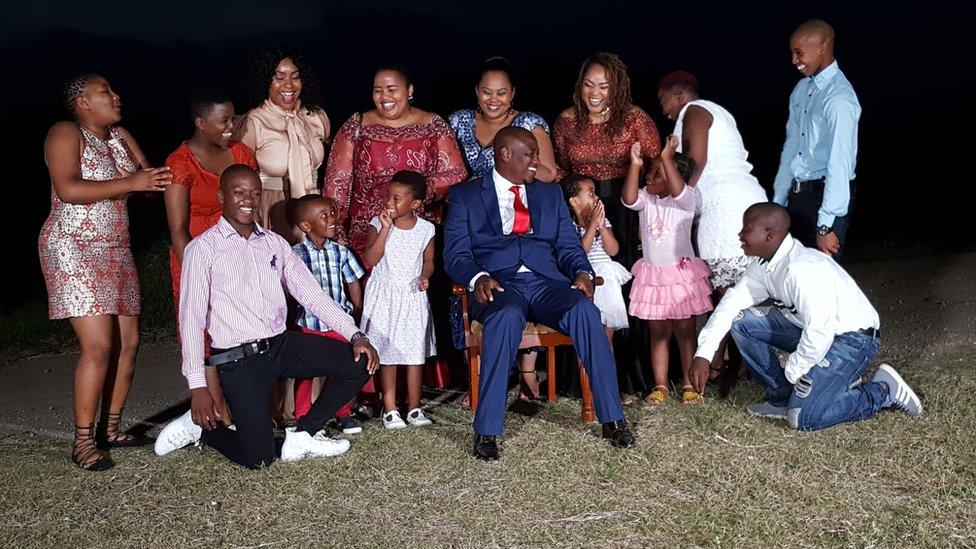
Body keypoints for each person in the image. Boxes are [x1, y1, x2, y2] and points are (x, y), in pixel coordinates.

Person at [153, 165, 379, 469]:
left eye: (255, 193)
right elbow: (191, 320)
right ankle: (203, 431)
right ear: (222, 197)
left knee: (359, 363)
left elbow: (312, 295)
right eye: (238, 192)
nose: (248, 199)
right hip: (238, 360)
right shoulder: (203, 249)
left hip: (279, 345)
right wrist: (198, 387)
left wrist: (355, 335)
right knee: (258, 459)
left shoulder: (274, 243)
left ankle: (303, 435)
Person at [444, 126, 635, 460]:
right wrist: (477, 277)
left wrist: (582, 271)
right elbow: (456, 254)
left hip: (547, 283)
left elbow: (566, 244)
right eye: (530, 154)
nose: (537, 161)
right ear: (505, 154)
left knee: (585, 312)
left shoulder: (549, 194)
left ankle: (613, 419)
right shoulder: (467, 196)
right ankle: (487, 430)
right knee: (504, 317)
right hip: (500, 285)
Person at [689, 203, 922, 430]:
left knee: (803, 418)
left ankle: (882, 391)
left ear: (769, 234)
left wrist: (794, 371)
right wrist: (704, 354)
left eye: (746, 228)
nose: (740, 234)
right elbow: (730, 305)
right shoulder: (764, 266)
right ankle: (780, 399)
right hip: (812, 330)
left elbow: (820, 331)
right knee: (742, 322)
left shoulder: (802, 269)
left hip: (853, 339)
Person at [40, 73, 172, 470]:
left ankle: (110, 429)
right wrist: (131, 181)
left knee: (129, 343)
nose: (115, 96)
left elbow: (148, 183)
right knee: (98, 346)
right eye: (104, 93)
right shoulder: (65, 132)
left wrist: (161, 177)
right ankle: (82, 442)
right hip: (73, 246)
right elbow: (67, 189)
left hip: (116, 247)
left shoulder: (120, 135)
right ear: (82, 102)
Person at [552, 52, 662, 401]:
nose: (595, 92)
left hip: (625, 212)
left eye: (604, 85)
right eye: (588, 84)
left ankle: (631, 379)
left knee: (626, 292)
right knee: (580, 282)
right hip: (580, 208)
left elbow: (654, 169)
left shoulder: (636, 119)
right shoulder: (567, 122)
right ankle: (579, 381)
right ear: (579, 86)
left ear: (617, 87)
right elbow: (562, 171)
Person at [657, 71, 767, 385]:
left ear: (677, 94)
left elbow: (696, 159)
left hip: (725, 207)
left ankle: (727, 367)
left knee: (726, 292)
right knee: (736, 292)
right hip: (744, 201)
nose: (662, 107)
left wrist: (681, 201)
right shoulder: (720, 113)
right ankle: (737, 366)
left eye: (662, 99)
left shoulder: (695, 110)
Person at [324, 64, 467, 257]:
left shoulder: (433, 125)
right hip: (366, 232)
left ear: (409, 90)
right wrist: (337, 230)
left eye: (392, 90)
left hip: (417, 228)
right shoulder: (356, 126)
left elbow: (456, 173)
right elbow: (337, 183)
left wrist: (417, 191)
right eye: (378, 91)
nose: (385, 97)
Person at [624, 137, 713, 405]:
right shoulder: (646, 200)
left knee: (685, 331)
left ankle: (688, 383)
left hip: (680, 277)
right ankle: (660, 385)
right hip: (654, 278)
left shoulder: (686, 201)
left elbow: (678, 190)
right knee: (658, 332)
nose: (649, 179)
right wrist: (635, 165)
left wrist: (666, 157)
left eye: (657, 174)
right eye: (649, 174)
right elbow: (628, 199)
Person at [772, 19, 861, 261]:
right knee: (795, 276)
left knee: (824, 278)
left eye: (799, 52)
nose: (794, 60)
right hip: (797, 195)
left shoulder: (839, 98)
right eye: (792, 52)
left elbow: (840, 162)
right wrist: (779, 201)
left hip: (826, 196)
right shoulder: (802, 90)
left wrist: (826, 225)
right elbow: (791, 149)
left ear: (822, 47)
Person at [165, 88, 257, 310]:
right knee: (203, 329)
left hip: (239, 252)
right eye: (223, 121)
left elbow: (254, 208)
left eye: (232, 119)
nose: (231, 128)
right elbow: (177, 229)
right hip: (199, 254)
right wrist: (195, 275)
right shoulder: (180, 163)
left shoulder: (241, 153)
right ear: (200, 122)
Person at [361, 171, 437, 429]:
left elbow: (428, 261)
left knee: (414, 354)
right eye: (388, 196)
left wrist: (425, 276)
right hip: (385, 297)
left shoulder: (426, 229)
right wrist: (385, 229)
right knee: (388, 354)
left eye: (397, 198)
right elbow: (371, 259)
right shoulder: (377, 223)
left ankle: (415, 408)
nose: (389, 202)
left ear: (415, 204)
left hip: (412, 298)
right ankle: (390, 408)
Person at [289, 195, 367, 435]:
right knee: (307, 372)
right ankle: (303, 415)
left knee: (343, 368)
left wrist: (356, 307)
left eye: (332, 213)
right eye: (324, 216)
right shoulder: (295, 254)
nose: (333, 219)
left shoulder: (341, 252)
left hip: (339, 323)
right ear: (305, 226)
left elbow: (353, 279)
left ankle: (342, 412)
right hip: (309, 323)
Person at [238, 43, 331, 241]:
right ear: (266, 81)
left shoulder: (316, 116)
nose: (288, 85)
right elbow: (239, 177)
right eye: (279, 78)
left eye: (295, 77)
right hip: (273, 207)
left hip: (313, 205)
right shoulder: (254, 121)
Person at [561, 175, 632, 400]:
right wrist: (591, 226)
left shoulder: (603, 221)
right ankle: (587, 389)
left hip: (607, 281)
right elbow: (580, 252)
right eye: (590, 192)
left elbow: (613, 250)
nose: (596, 196)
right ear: (574, 201)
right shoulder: (569, 225)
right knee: (587, 336)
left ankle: (608, 388)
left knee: (605, 339)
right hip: (586, 280)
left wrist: (601, 226)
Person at [448, 56, 558, 182]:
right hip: (464, 198)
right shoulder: (458, 121)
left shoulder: (529, 124)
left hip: (512, 197)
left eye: (501, 93)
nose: (493, 99)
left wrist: (513, 165)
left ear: (512, 93)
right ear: (477, 91)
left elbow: (549, 173)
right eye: (487, 92)